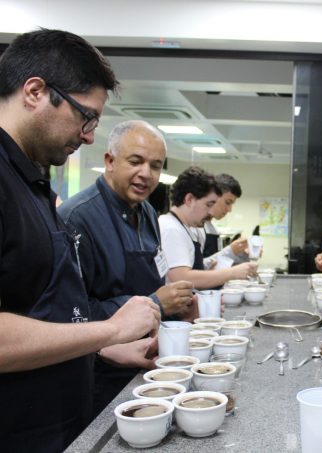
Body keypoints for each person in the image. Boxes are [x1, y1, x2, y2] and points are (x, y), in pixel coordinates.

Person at [0, 29, 160, 452]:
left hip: (61, 422)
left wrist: (102, 349)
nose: (89, 135)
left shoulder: (31, 178)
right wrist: (109, 330)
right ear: (35, 91)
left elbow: (43, 308)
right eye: (84, 116)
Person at [58, 120, 196, 416]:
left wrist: (175, 307)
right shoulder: (76, 219)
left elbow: (154, 276)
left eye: (155, 166)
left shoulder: (146, 211)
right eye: (136, 161)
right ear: (110, 161)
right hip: (99, 372)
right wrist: (156, 302)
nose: (146, 173)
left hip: (146, 362)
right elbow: (70, 316)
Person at [159, 166, 257, 289]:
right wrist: (232, 273)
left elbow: (191, 268)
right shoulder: (171, 228)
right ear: (189, 199)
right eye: (209, 205)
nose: (211, 212)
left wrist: (209, 264)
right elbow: (182, 278)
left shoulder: (186, 228)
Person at [195, 173, 250, 266]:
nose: (230, 210)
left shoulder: (212, 229)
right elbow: (196, 268)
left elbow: (217, 264)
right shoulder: (194, 227)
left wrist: (241, 255)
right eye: (227, 202)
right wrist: (230, 251)